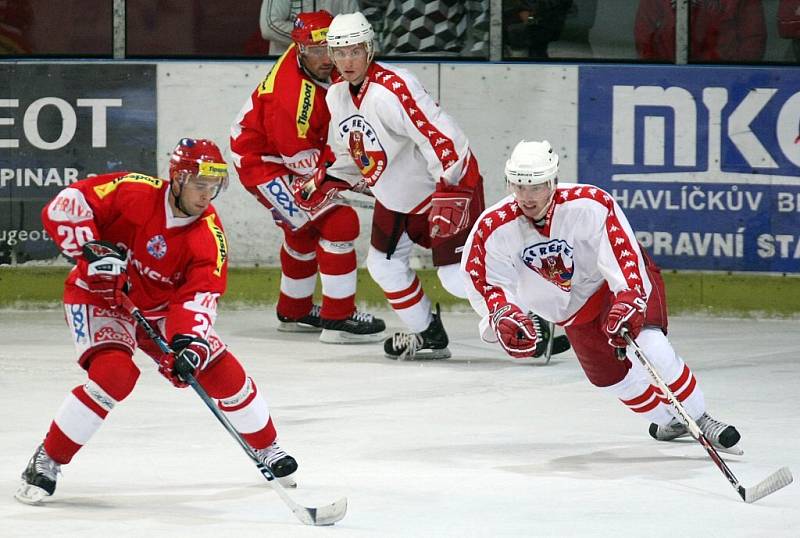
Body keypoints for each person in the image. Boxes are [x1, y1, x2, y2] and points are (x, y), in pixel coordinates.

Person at [15, 138, 299, 504]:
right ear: (178, 179)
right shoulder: (134, 190)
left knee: (220, 369)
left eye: (213, 187)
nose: (206, 195)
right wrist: (91, 249)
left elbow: (197, 299)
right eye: (199, 184)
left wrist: (188, 345)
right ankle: (47, 458)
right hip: (99, 297)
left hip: (160, 310)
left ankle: (267, 447)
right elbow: (68, 204)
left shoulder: (209, 239)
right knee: (114, 375)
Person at [460, 139, 743, 453]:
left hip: (612, 289)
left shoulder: (590, 203)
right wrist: (503, 314)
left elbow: (623, 254)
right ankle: (671, 420)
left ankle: (699, 417)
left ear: (552, 181)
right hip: (572, 313)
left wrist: (627, 298)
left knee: (649, 346)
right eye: (519, 186)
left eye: (536, 186)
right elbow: (486, 280)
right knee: (610, 380)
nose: (526, 197)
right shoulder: (492, 228)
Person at [296, 11, 486, 360]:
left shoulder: (394, 88)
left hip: (444, 190)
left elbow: (444, 138)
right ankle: (428, 335)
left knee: (457, 278)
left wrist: (451, 189)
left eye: (354, 51)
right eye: (339, 52)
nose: (346, 60)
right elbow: (353, 154)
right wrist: (326, 180)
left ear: (369, 49)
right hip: (396, 197)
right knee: (383, 266)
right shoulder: (336, 96)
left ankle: (527, 319)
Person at [231, 10, 385, 344]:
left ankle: (294, 310)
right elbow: (309, 168)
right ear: (299, 49)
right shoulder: (290, 100)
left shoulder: (311, 57)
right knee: (338, 221)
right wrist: (359, 179)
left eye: (327, 48)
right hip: (264, 164)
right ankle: (338, 319)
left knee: (301, 229)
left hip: (280, 154)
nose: (323, 59)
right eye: (313, 51)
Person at [634, 0, 766, 62]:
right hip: (667, 78)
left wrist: (735, 75)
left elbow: (753, 41)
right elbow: (644, 39)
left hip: (725, 79)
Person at [360, 0, 490, 57]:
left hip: (445, 57)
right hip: (394, 57)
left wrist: (480, 52)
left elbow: (480, 10)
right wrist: (372, 47)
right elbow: (372, 9)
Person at [259, 0, 359, 56]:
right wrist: (311, 39)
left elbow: (355, 28)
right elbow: (269, 27)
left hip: (332, 64)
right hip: (289, 63)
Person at [502, 0, 573, 59]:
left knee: (516, 29)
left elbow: (530, 14)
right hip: (536, 20)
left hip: (543, 22)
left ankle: (519, 57)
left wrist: (529, 16)